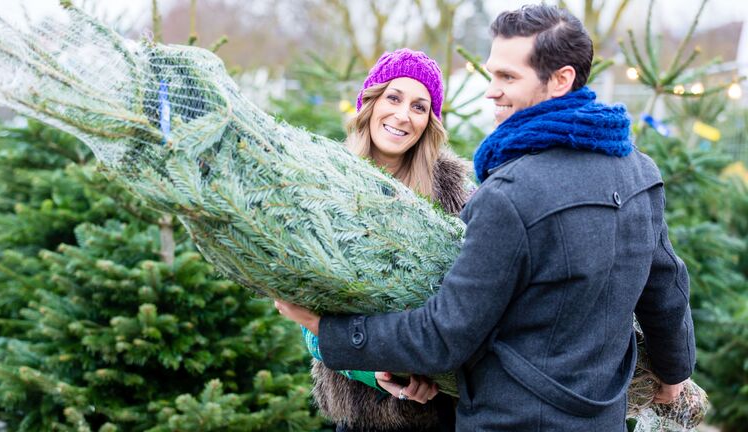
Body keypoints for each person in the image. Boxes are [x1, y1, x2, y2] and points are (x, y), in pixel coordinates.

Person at [276, 4, 695, 431]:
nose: (490, 90)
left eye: (508, 77)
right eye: (492, 74)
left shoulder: (508, 196)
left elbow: (444, 336)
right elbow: (666, 289)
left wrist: (329, 332)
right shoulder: (641, 171)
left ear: (562, 79)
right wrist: (675, 370)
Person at [300, 48, 470, 432]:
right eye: (393, 98)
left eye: (419, 106)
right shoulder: (328, 186)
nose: (402, 115)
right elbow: (307, 322)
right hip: (365, 414)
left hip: (445, 414)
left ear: (430, 121)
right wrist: (371, 370)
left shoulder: (455, 192)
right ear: (370, 102)